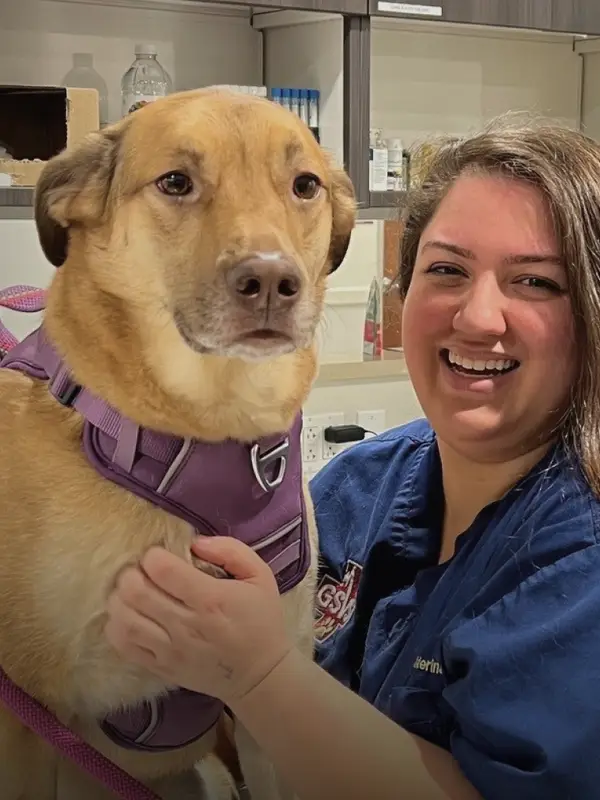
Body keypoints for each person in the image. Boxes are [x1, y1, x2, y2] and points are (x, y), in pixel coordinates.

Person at [104, 118, 600, 800]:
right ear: (404, 291)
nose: (479, 317)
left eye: (536, 283)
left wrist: (258, 675)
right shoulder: (359, 487)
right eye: (447, 270)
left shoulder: (583, 556)